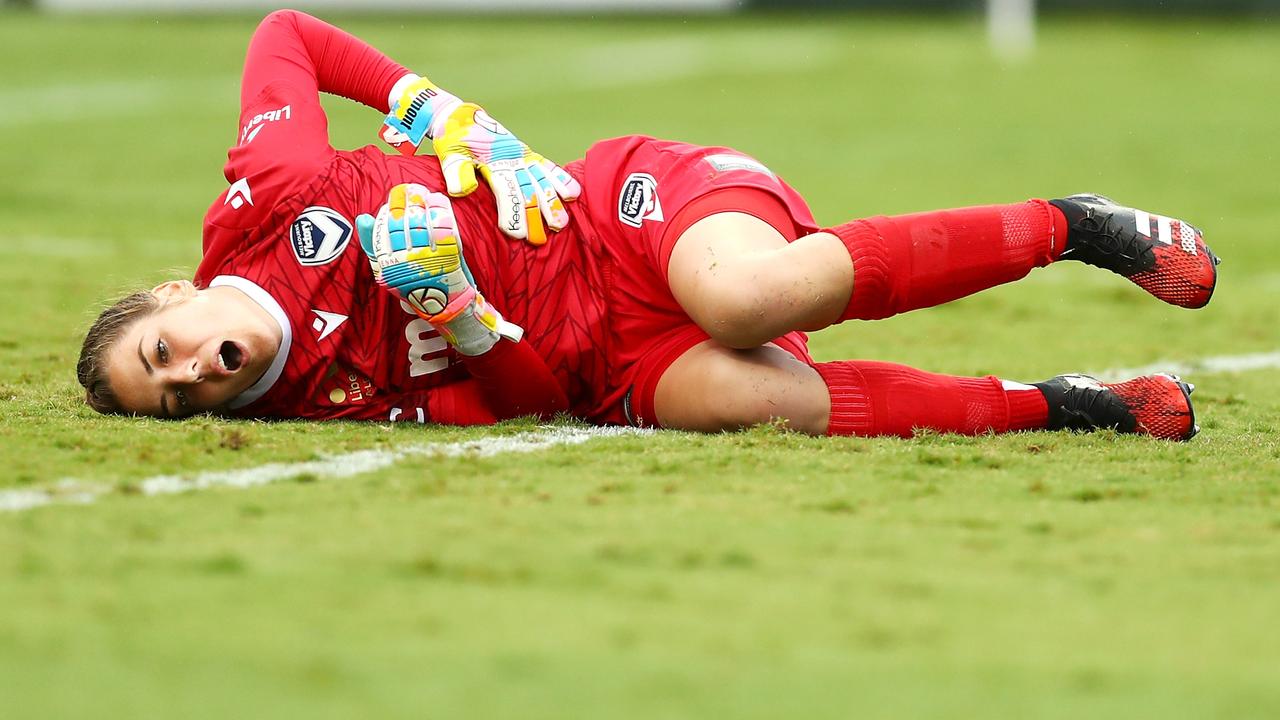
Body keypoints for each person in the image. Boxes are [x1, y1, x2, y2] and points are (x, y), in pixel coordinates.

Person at [77, 10, 1219, 441]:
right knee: (752, 400)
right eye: (179, 397)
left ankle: (1068, 225)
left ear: (174, 296)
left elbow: (285, 35)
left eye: (159, 354)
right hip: (602, 362)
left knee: (743, 301)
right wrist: (460, 315)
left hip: (621, 218)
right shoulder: (319, 399)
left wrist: (437, 112)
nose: (190, 375)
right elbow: (522, 404)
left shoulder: (265, 206)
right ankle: (1066, 409)